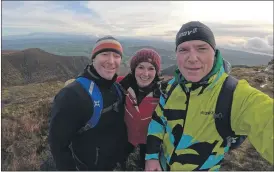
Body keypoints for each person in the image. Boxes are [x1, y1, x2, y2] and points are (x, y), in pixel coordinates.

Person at [145, 21, 273, 171]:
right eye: (183, 50)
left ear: (214, 52)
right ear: (176, 54)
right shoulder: (171, 87)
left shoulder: (235, 95)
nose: (192, 58)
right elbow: (159, 121)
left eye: (201, 48)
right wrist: (152, 156)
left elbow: (266, 121)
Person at [49, 36, 128, 171]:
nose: (111, 61)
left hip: (115, 165)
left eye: (116, 56)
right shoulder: (72, 95)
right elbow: (58, 145)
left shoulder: (117, 89)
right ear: (93, 58)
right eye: (104, 54)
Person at [116, 48, 168, 170]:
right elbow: (101, 82)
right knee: (120, 160)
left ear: (156, 72)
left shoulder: (163, 94)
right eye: (141, 67)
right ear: (134, 69)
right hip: (127, 137)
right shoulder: (122, 85)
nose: (145, 74)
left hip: (149, 142)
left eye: (151, 68)